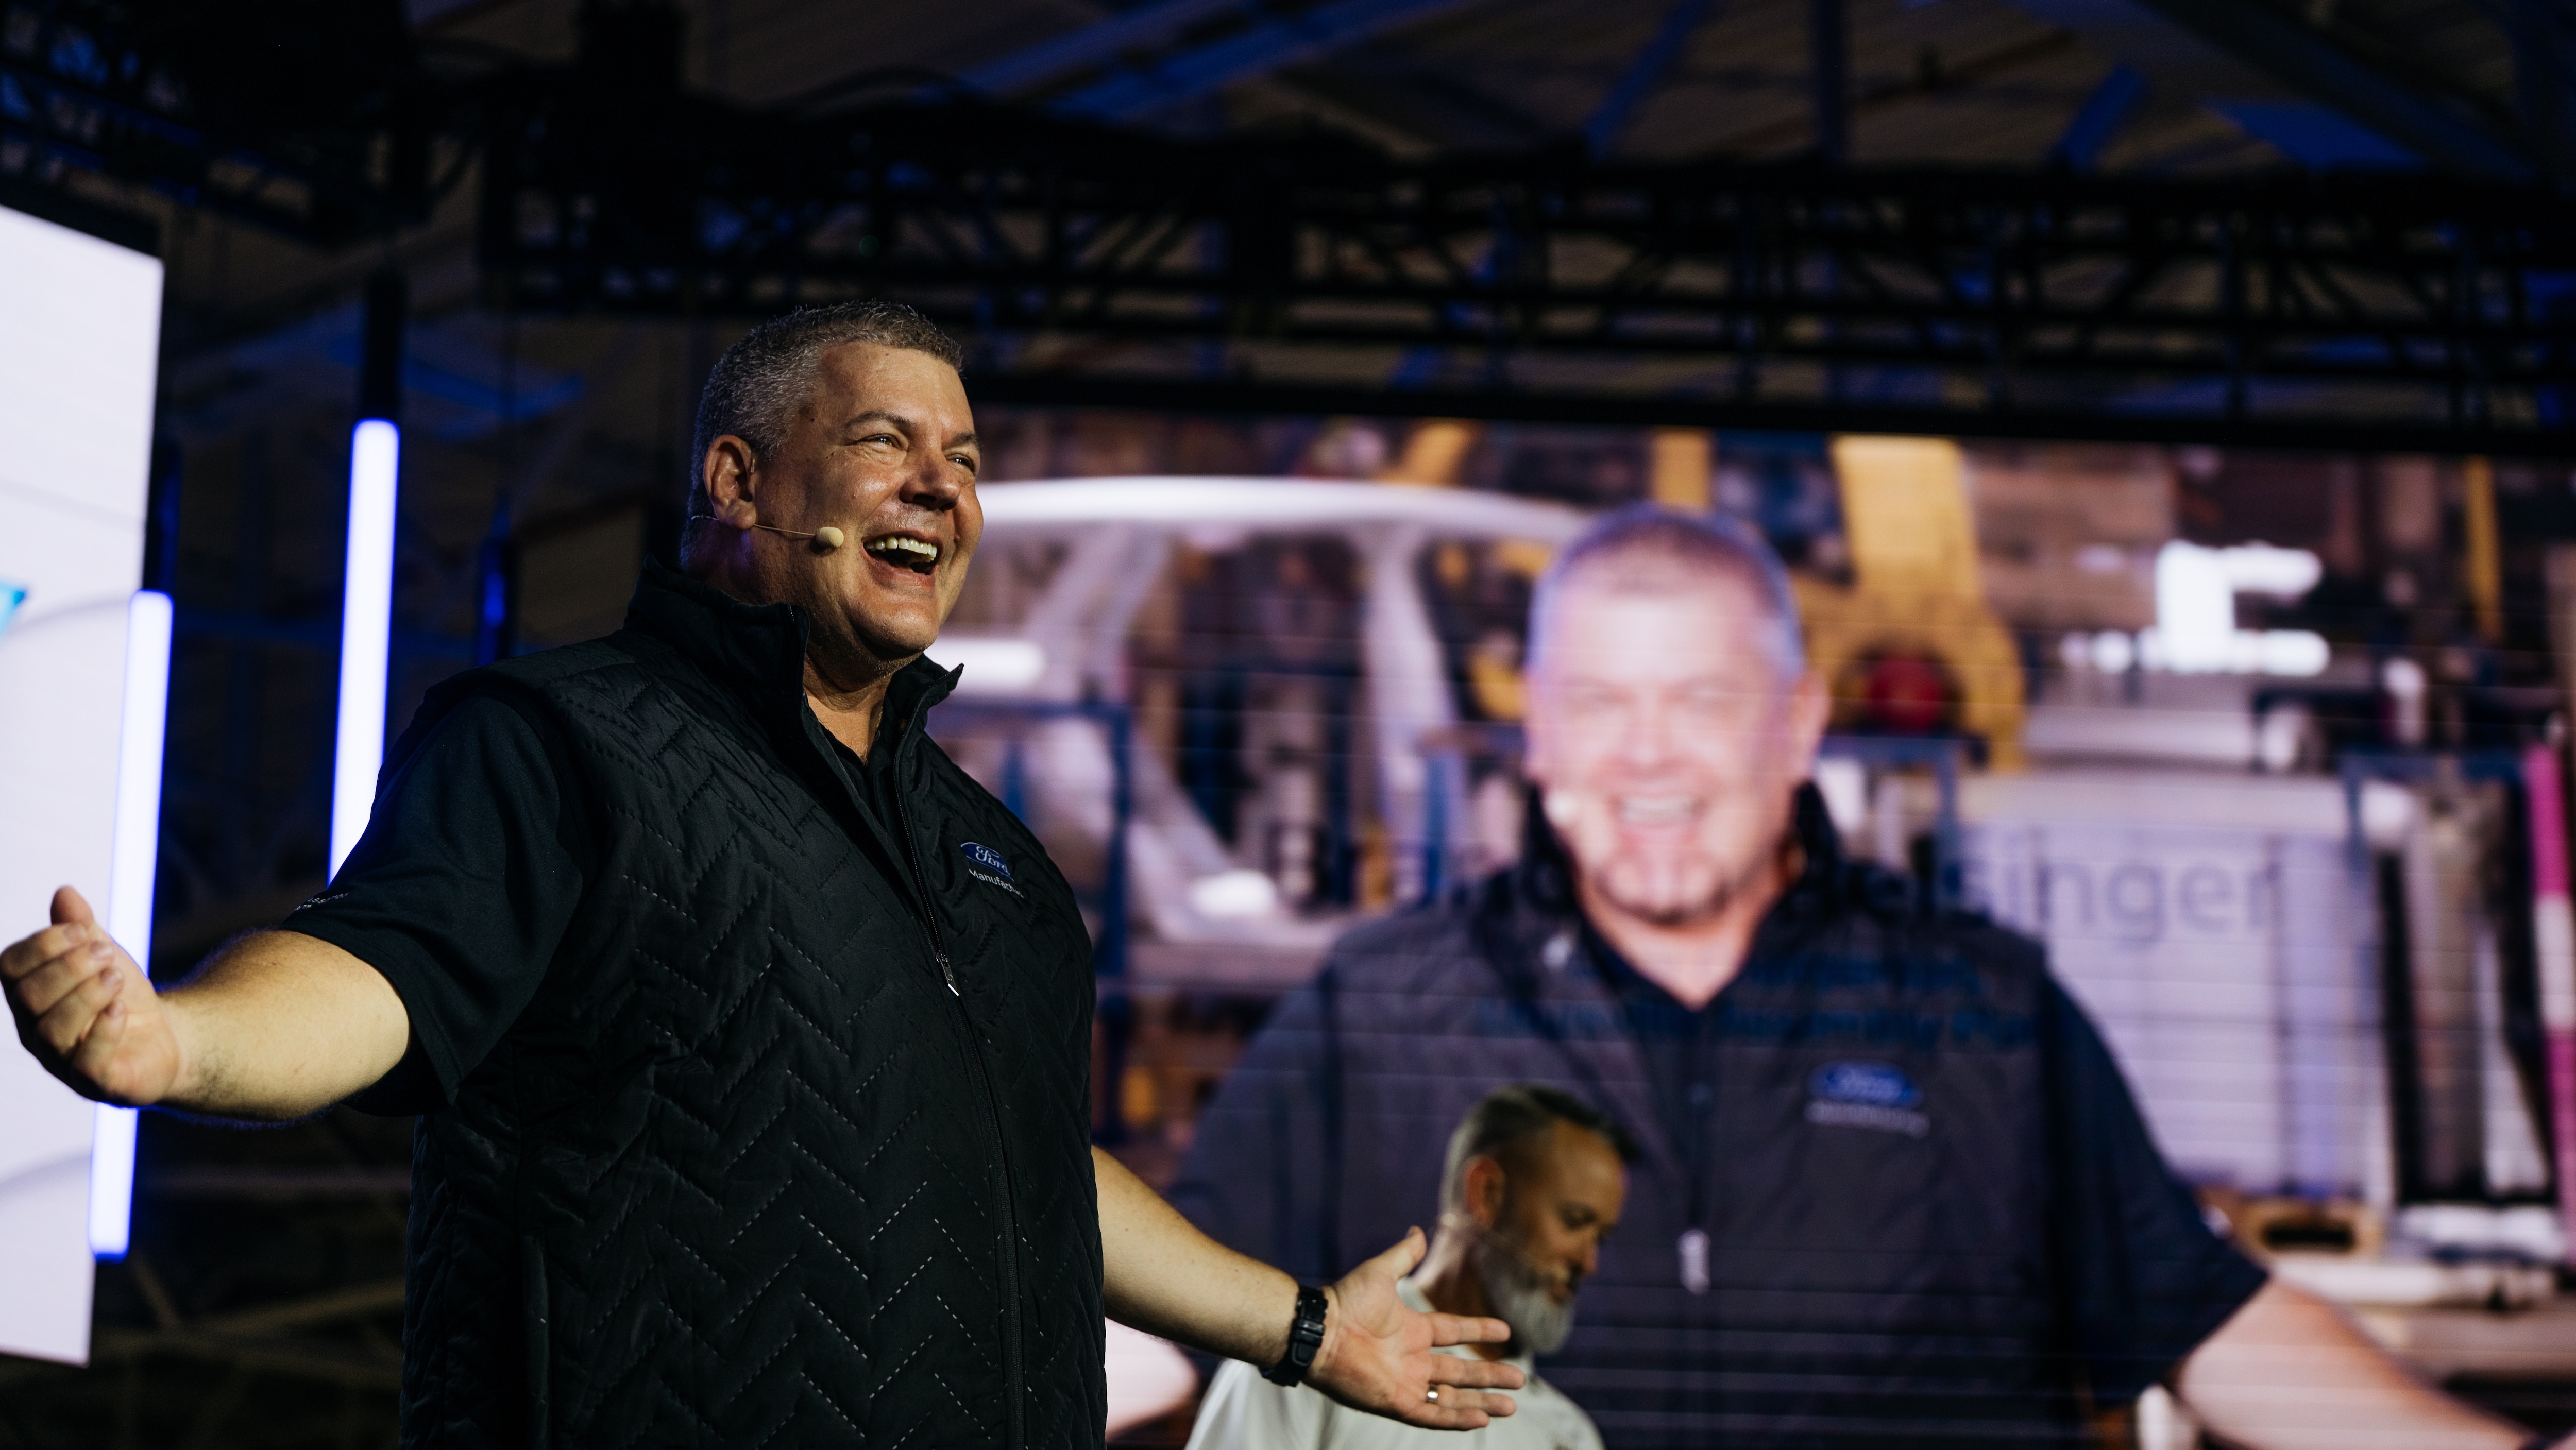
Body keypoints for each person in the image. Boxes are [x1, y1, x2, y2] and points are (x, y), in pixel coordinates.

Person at [1, 301, 1524, 1448]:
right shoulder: (565, 737)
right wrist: (182, 1038)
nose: (940, 484)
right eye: (885, 442)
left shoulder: (997, 858)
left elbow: (1028, 1178)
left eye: (966, 461)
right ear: (737, 481)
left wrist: (1308, 1326)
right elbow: (385, 965)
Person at [1171, 505, 2556, 1449]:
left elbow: (2207, 1322)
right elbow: (1160, 1312)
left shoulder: (1975, 1005)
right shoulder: (1389, 1004)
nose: (1644, 756)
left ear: (1798, 725)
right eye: (1598, 703)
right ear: (1536, 737)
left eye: (1700, 701)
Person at [1189, 1084, 1630, 1450]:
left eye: (1602, 1237)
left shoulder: (1572, 1437)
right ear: (1487, 1192)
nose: (1588, 1261)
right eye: (1575, 1221)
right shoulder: (1309, 1353)